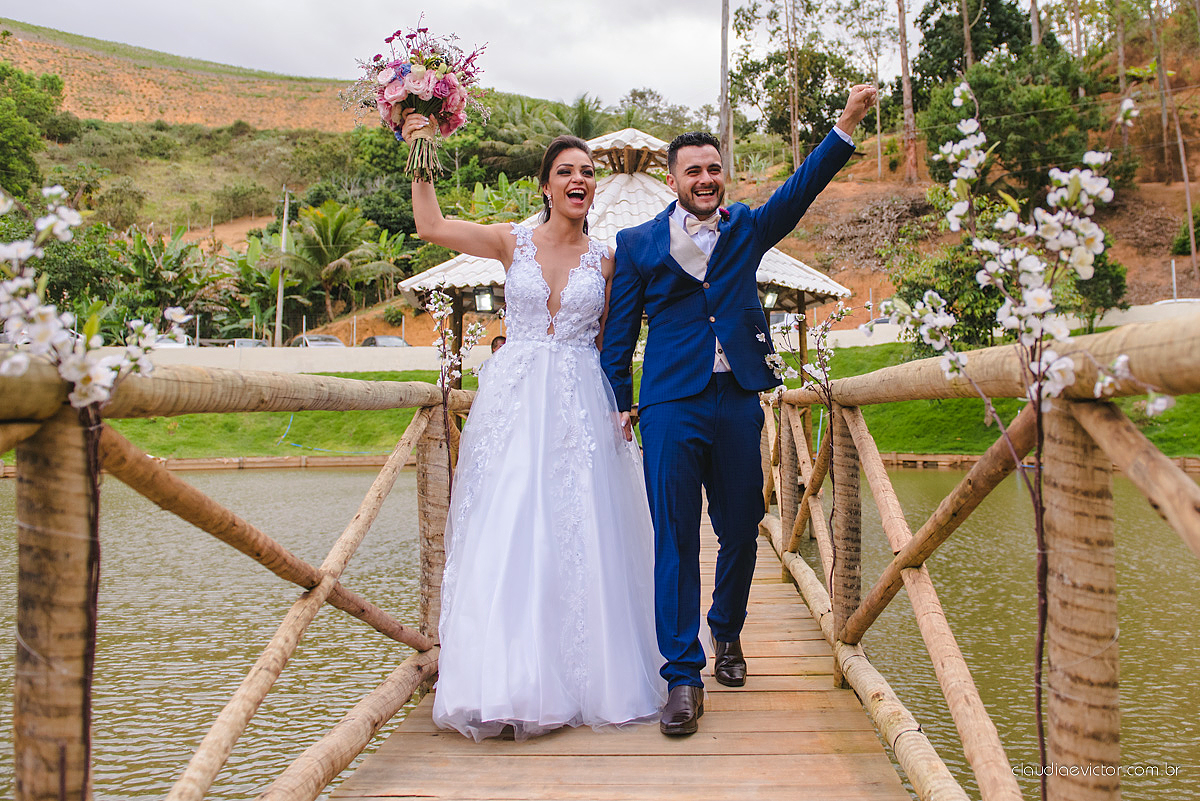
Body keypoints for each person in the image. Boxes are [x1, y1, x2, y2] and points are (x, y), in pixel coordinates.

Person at [600, 85, 877, 736]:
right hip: (668, 401)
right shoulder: (639, 242)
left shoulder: (748, 227)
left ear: (724, 174)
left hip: (738, 398)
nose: (705, 178)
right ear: (673, 179)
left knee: (742, 525)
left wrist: (845, 125)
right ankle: (682, 676)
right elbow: (618, 336)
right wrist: (620, 399)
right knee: (673, 536)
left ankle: (727, 631)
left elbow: (800, 191)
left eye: (713, 168)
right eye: (693, 170)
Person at [400, 111, 667, 741]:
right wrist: (420, 151)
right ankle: (504, 680)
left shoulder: (607, 261)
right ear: (545, 186)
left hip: (579, 400)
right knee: (512, 525)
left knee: (580, 528)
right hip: (513, 404)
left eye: (587, 173)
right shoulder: (510, 241)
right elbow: (430, 225)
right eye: (566, 172)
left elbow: (612, 342)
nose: (579, 179)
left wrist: (621, 405)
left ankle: (582, 676)